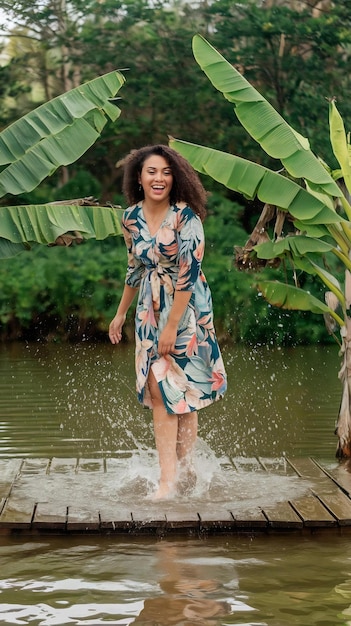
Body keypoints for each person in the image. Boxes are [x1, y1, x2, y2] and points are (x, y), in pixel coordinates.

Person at [109, 144, 227, 499]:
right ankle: (173, 476)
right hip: (148, 307)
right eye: (151, 172)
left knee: (182, 390)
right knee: (161, 390)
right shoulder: (130, 218)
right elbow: (135, 268)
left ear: (175, 177)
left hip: (184, 308)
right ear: (139, 178)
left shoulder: (185, 217)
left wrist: (173, 326)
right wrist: (120, 313)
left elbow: (189, 275)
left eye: (166, 172)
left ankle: (179, 472)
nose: (159, 178)